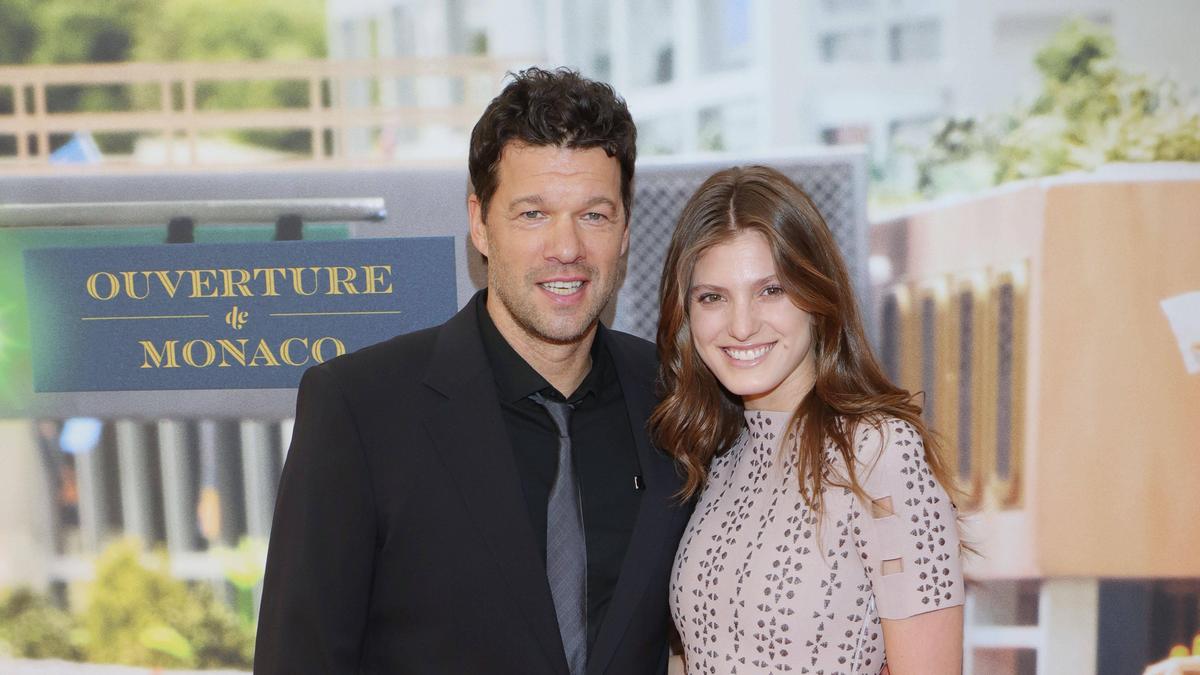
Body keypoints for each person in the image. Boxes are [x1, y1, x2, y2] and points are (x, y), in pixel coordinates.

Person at [255, 67, 692, 675]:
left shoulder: (676, 398)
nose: (566, 248)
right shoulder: (359, 409)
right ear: (480, 223)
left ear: (623, 230)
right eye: (533, 214)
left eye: (594, 215)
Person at [653, 165, 964, 674]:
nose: (742, 325)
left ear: (817, 296)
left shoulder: (878, 452)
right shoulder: (720, 460)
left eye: (770, 290)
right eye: (713, 297)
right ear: (686, 315)